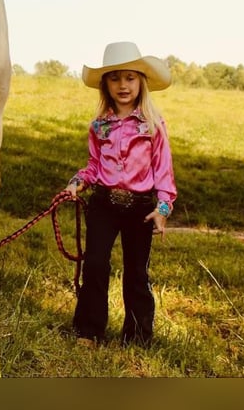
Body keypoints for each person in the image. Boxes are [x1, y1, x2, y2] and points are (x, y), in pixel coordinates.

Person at [64, 41, 176, 347]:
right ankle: (89, 330)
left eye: (130, 77)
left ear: (141, 82)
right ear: (105, 85)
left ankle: (138, 335)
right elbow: (93, 165)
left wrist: (163, 209)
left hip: (140, 207)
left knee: (136, 272)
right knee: (96, 263)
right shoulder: (99, 126)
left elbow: (163, 171)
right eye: (114, 78)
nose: (122, 85)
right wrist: (77, 182)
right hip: (104, 203)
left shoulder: (153, 125)